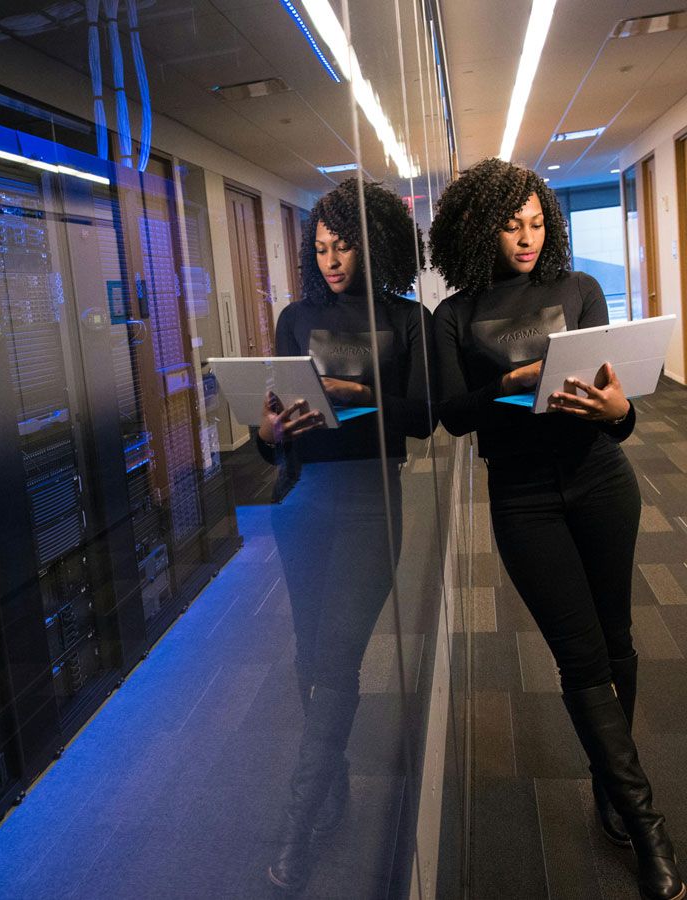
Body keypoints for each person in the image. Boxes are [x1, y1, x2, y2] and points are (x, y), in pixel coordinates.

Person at [429, 157, 684, 900]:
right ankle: (648, 828)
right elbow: (451, 416)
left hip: (602, 481)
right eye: (512, 225)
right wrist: (505, 384)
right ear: (479, 229)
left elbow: (617, 404)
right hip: (523, 498)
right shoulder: (456, 316)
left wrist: (623, 413)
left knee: (618, 642)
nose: (528, 237)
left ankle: (611, 783)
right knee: (580, 659)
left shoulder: (580, 290)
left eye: (538, 223)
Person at [255, 177, 435, 893]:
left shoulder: (406, 319)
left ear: (373, 242)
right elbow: (270, 436)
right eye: (322, 248)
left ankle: (298, 825)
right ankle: (333, 786)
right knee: (309, 655)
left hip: (371, 504)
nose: (332, 260)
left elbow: (425, 418)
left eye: (344, 246)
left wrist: (363, 396)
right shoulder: (294, 318)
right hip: (303, 500)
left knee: (337, 658)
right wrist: (269, 432)